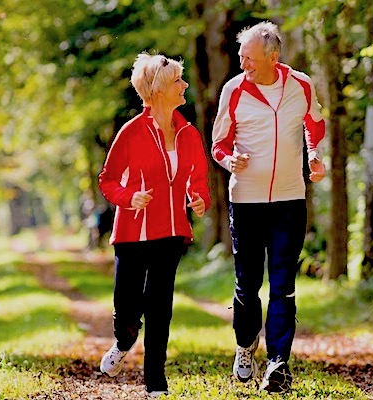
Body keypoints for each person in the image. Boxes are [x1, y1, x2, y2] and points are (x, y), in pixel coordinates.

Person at [211, 21, 327, 393]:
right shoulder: (234, 90)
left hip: (291, 199)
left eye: (248, 56)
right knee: (248, 285)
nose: (242, 61)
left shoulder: (301, 85)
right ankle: (246, 347)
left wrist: (315, 154)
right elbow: (218, 144)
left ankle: (278, 362)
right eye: (241, 55)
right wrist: (231, 161)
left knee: (283, 283)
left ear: (272, 58)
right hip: (246, 200)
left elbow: (316, 124)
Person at [98, 52, 211, 398]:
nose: (185, 85)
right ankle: (123, 341)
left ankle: (155, 385)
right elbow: (108, 179)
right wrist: (129, 197)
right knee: (128, 311)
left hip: (172, 231)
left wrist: (198, 198)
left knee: (160, 305)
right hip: (132, 233)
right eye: (178, 80)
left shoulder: (188, 134)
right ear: (160, 89)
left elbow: (198, 178)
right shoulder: (131, 133)